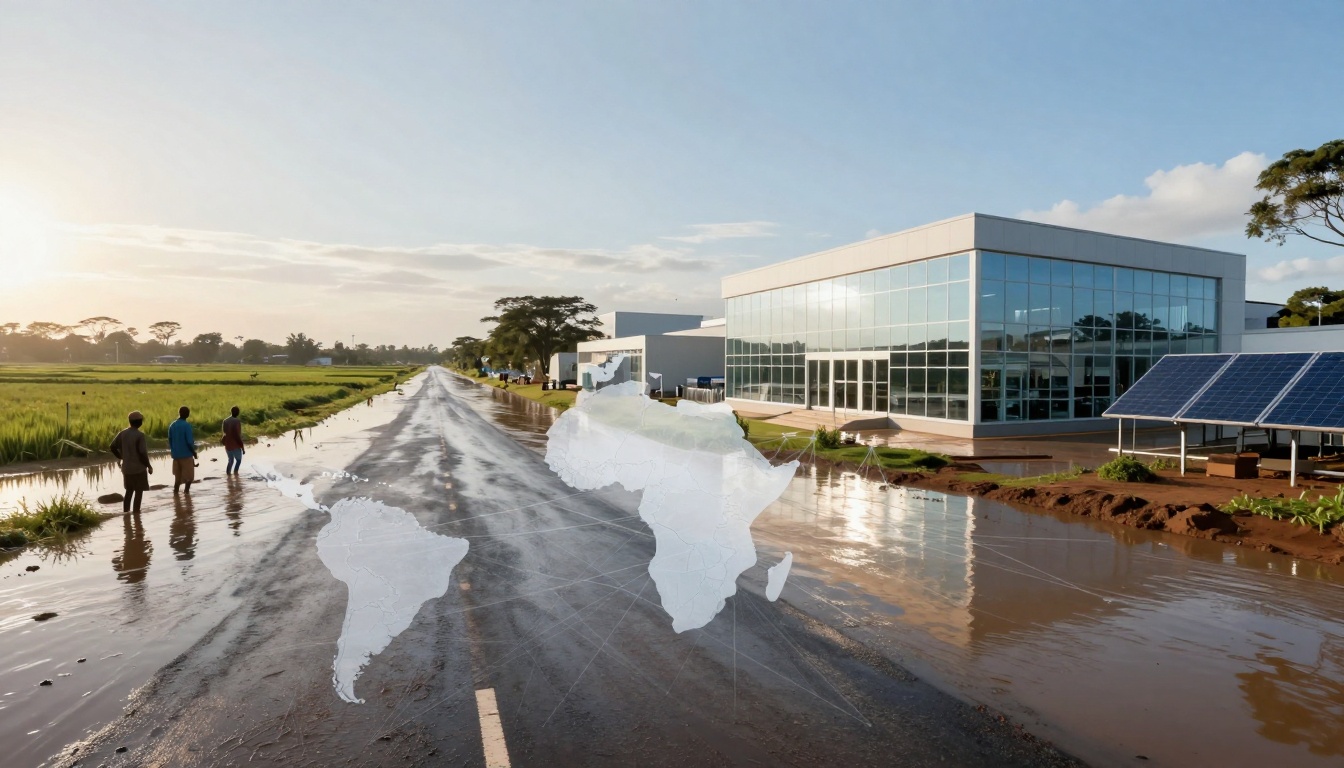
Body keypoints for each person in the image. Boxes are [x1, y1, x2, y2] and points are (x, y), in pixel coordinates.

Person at [109, 410, 152, 514]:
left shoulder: (122, 433)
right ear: (139, 422)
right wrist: (149, 466)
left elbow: (112, 447)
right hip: (138, 469)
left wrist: (121, 457)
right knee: (138, 492)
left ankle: (126, 514)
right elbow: (142, 453)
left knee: (128, 492)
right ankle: (136, 514)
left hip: (126, 468)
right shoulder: (139, 435)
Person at [168, 405, 198, 494]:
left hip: (176, 455)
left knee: (178, 478)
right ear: (188, 415)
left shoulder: (172, 425)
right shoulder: (186, 425)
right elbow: (189, 442)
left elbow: (170, 440)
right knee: (189, 478)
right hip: (186, 455)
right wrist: (194, 452)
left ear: (179, 413)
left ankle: (176, 493)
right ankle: (186, 493)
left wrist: (174, 450)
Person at [221, 405, 245, 475]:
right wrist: (242, 447)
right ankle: (236, 473)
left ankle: (228, 475)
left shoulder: (225, 421)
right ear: (238, 413)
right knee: (238, 460)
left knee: (230, 461)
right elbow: (237, 435)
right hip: (236, 445)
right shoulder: (237, 421)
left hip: (228, 444)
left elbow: (225, 433)